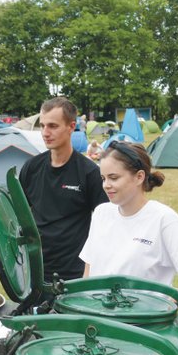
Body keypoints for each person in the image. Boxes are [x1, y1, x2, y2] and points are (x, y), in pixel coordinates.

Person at [79, 141, 178, 302]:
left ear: (139, 177)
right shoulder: (101, 213)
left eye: (113, 178)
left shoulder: (164, 220)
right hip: (95, 322)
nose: (106, 185)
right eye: (103, 178)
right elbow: (88, 273)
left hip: (141, 325)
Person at [19, 97, 108, 283]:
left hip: (73, 274)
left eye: (52, 126)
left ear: (71, 126)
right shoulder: (31, 168)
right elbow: (19, 215)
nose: (45, 132)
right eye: (42, 126)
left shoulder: (90, 173)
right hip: (33, 270)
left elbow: (106, 224)